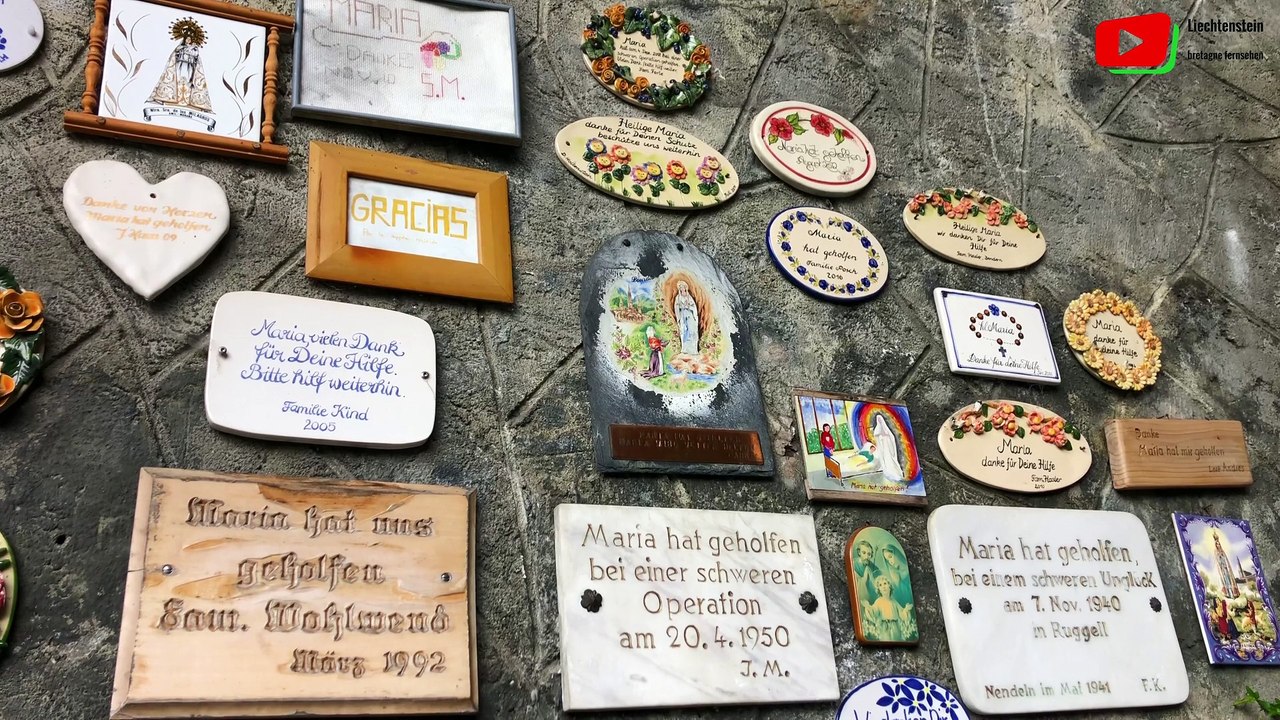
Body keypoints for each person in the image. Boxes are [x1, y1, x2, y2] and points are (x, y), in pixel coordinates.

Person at [871, 414, 904, 482]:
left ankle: (896, 473)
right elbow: (877, 437)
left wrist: (885, 438)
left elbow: (891, 438)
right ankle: (889, 472)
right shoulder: (877, 429)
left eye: (880, 419)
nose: (880, 421)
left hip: (888, 447)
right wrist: (881, 438)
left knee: (891, 460)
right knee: (886, 460)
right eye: (878, 420)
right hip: (883, 448)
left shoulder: (886, 429)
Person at [674, 281, 699, 355]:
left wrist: (689, 306)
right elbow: (676, 307)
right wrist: (681, 307)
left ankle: (693, 349)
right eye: (680, 287)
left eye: (683, 287)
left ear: (685, 288)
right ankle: (685, 348)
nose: (682, 288)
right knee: (684, 331)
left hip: (689, 315)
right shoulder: (678, 297)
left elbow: (693, 307)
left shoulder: (689, 297)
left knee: (692, 330)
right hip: (682, 315)